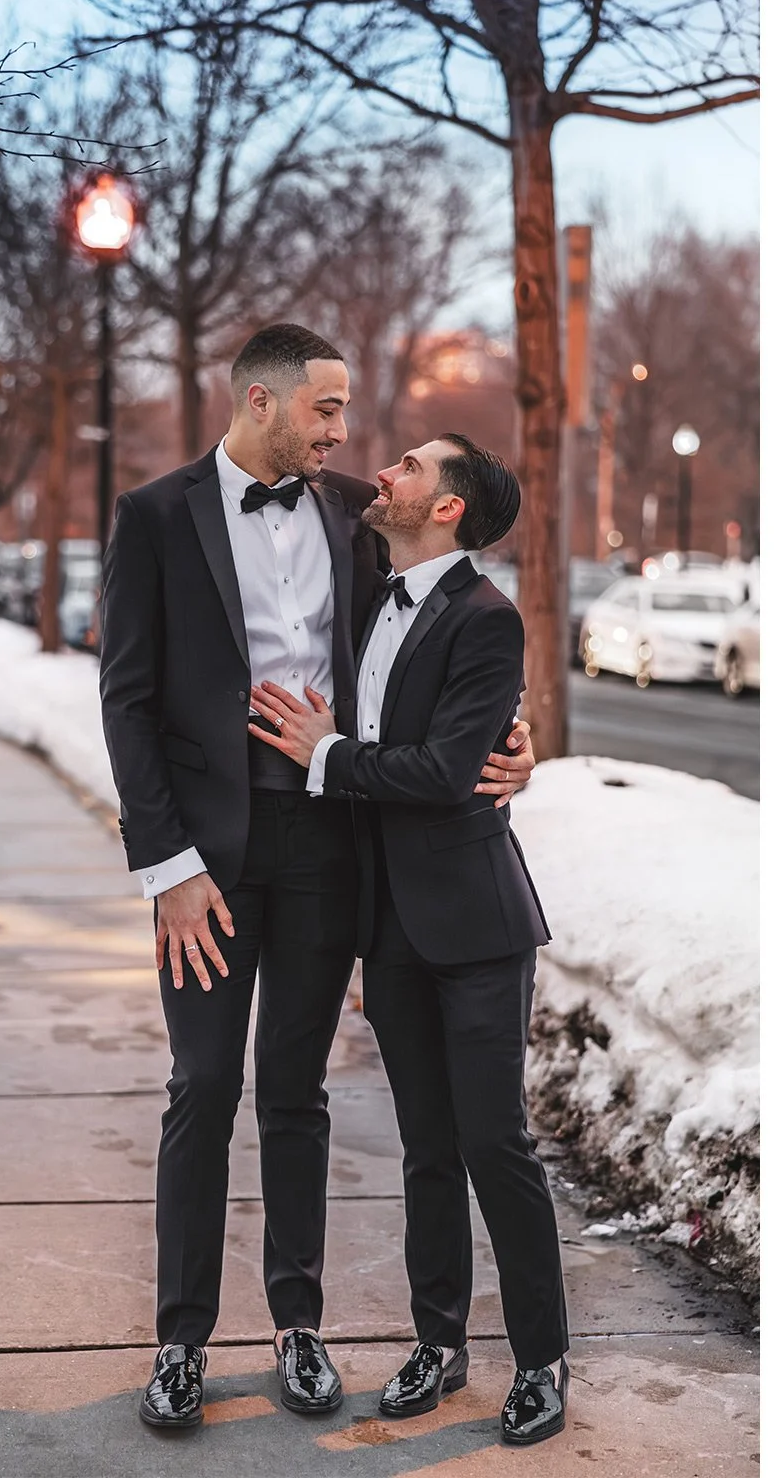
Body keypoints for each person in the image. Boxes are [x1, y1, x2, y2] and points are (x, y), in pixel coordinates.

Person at [97, 325, 533, 1430]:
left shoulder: (354, 511)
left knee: (296, 1092)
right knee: (204, 1086)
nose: (345, 434)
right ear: (261, 400)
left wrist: (513, 742)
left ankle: (299, 1327)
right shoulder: (154, 517)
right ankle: (180, 1341)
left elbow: (440, 646)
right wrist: (169, 866)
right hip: (207, 856)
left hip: (333, 838)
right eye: (328, 412)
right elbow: (128, 701)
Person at [250, 433, 571, 1446]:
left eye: (409, 467)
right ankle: (438, 1342)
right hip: (387, 927)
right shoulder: (366, 592)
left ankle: (542, 1357)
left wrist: (327, 752)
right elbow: (345, 492)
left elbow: (439, 776)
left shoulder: (487, 618)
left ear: (450, 507)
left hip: (475, 926)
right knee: (426, 1150)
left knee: (493, 1142)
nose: (382, 471)